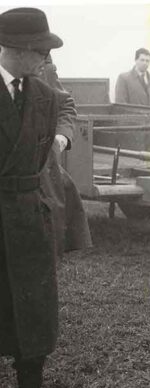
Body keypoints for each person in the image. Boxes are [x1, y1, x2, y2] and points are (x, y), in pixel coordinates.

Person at [0, 7, 70, 388]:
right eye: (40, 49)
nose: (46, 58)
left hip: (28, 215)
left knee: (34, 310)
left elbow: (62, 121)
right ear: (17, 48)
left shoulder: (44, 95)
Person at [39, 55, 92, 256]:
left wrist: (61, 136)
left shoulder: (43, 66)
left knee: (63, 190)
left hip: (40, 161)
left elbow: (65, 104)